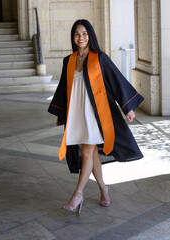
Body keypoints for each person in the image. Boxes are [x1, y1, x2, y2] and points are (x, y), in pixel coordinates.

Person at [48, 19, 144, 214]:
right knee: (91, 154)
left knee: (86, 151)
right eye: (77, 34)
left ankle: (78, 194)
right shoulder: (69, 60)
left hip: (95, 113)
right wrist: (61, 112)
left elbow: (116, 80)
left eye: (84, 33)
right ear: (73, 38)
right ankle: (103, 190)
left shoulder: (99, 58)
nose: (81, 37)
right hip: (76, 112)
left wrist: (128, 108)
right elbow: (64, 89)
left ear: (90, 35)